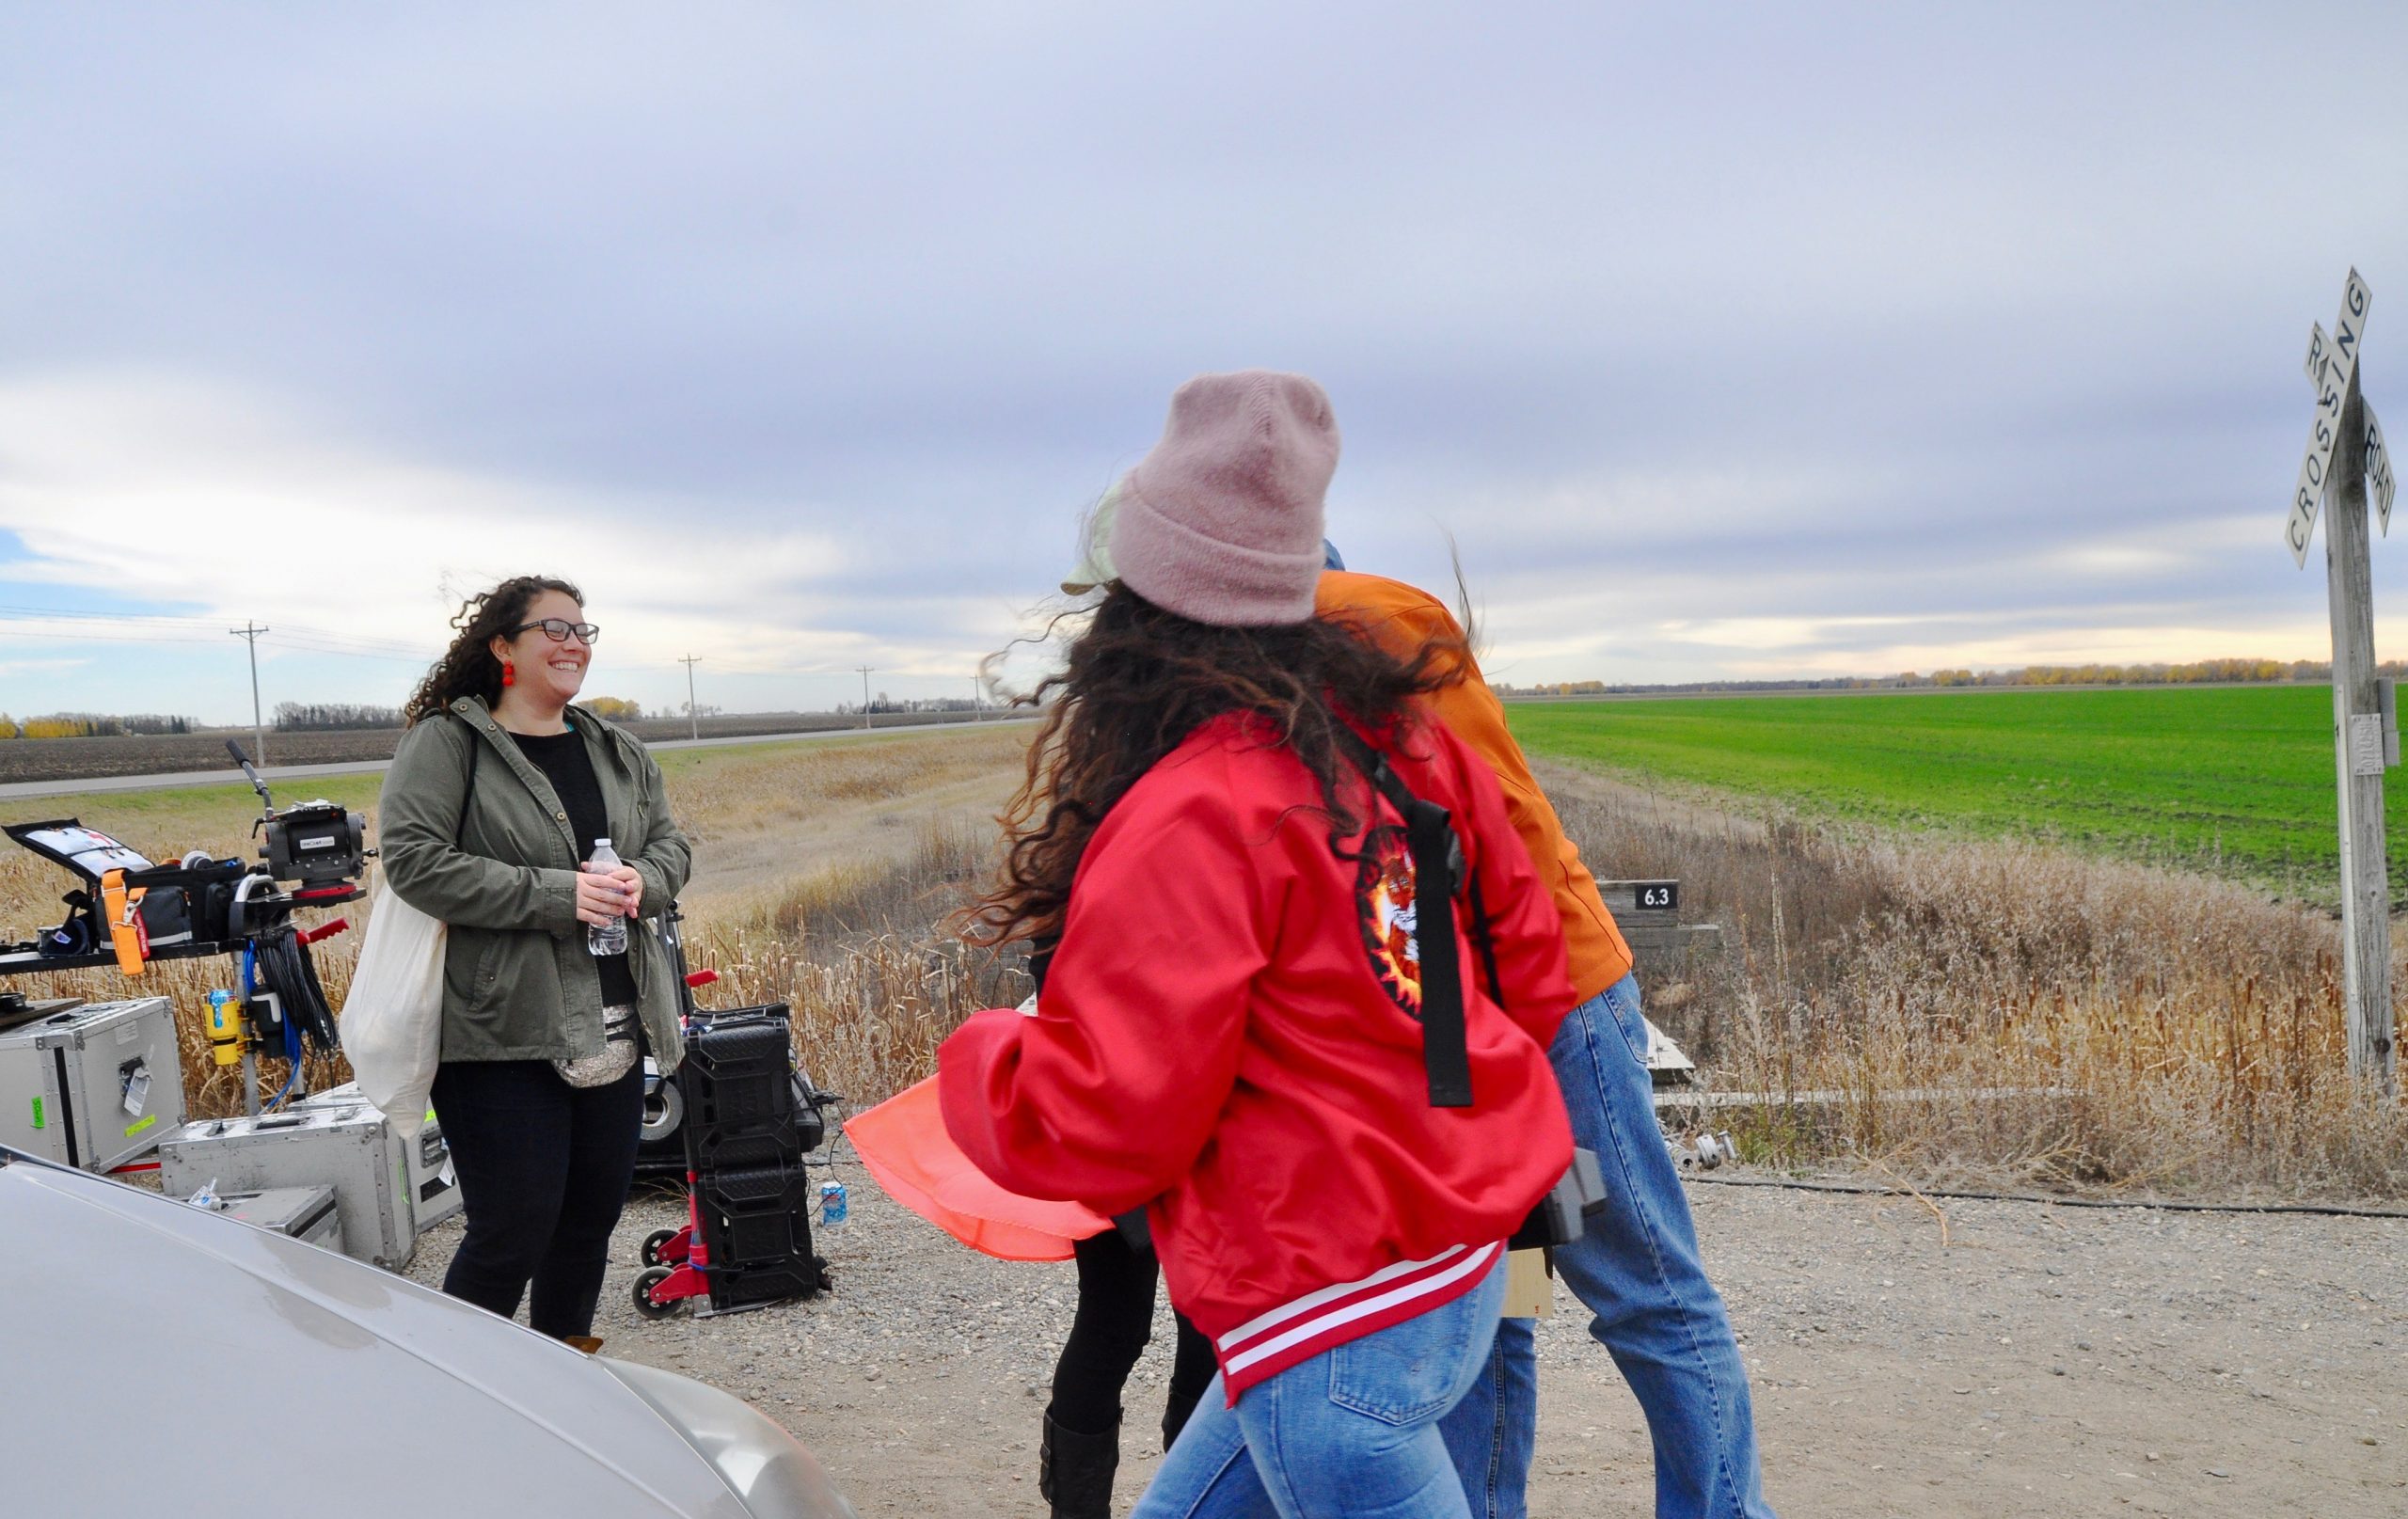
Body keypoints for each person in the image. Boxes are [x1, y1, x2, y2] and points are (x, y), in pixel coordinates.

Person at [940, 370, 1577, 1519]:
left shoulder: (1192, 810)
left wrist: (981, 1061)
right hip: (1455, 1262)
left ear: (1139, 607)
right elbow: (1525, 956)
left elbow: (1108, 1125)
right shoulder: (1404, 742)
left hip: (1326, 1316)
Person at [1316, 562, 1780, 1519]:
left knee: (1642, 1287)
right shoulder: (1284, 653)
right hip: (1455, 1027)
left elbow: (1481, 828)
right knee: (1495, 1296)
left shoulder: (1360, 623)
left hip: (1554, 1003)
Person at [381, 574, 690, 1351]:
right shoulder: (449, 743)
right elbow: (414, 861)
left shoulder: (614, 748)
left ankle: (564, 1392)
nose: (574, 643)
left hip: (617, 1021)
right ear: (501, 646)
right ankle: (454, 1397)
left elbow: (672, 846)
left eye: (584, 631)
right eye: (554, 628)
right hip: (502, 1031)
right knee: (511, 1231)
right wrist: (560, 895)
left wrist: (642, 881)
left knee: (587, 1225)